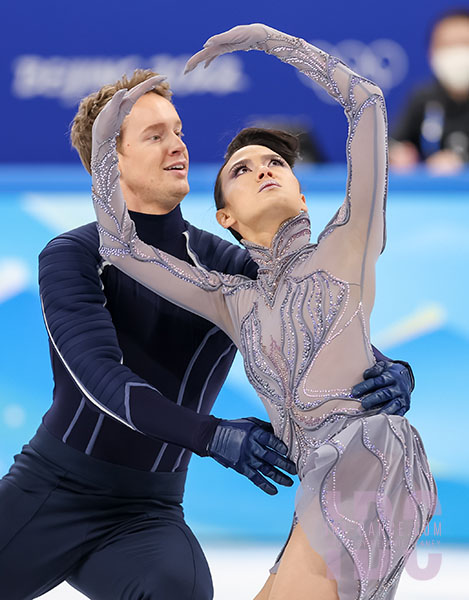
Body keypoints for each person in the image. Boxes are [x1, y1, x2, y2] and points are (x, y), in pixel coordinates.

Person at [0, 68, 412, 600]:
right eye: (155, 136)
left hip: (146, 512)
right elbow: (102, 378)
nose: (178, 147)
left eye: (179, 132)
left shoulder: (229, 269)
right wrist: (211, 435)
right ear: (109, 162)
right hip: (52, 492)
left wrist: (393, 372)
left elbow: (315, 333)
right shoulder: (74, 255)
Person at [92, 24, 436, 600]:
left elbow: (367, 101)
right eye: (242, 170)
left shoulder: (348, 242)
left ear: (302, 193)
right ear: (225, 217)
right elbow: (120, 247)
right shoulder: (233, 299)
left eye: (274, 161)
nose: (263, 170)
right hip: (320, 481)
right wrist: (110, 129)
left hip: (367, 459)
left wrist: (266, 39)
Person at [390, 9, 469, 174]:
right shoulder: (423, 97)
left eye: (464, 43)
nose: (457, 53)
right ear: (431, 52)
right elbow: (394, 144)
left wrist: (462, 161)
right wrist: (398, 153)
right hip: (435, 196)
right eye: (446, 45)